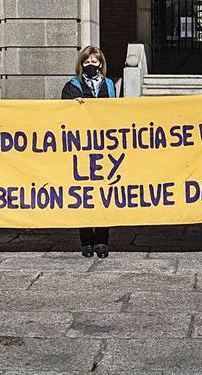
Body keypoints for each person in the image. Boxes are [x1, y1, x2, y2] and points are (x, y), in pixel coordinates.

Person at [61, 46, 116, 259]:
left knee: (103, 195)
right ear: (81, 64)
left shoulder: (109, 85)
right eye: (87, 62)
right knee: (84, 195)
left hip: (104, 147)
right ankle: (86, 241)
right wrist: (72, 105)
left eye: (95, 62)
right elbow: (61, 115)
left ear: (101, 64)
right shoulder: (71, 86)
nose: (91, 65)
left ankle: (102, 241)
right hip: (81, 148)